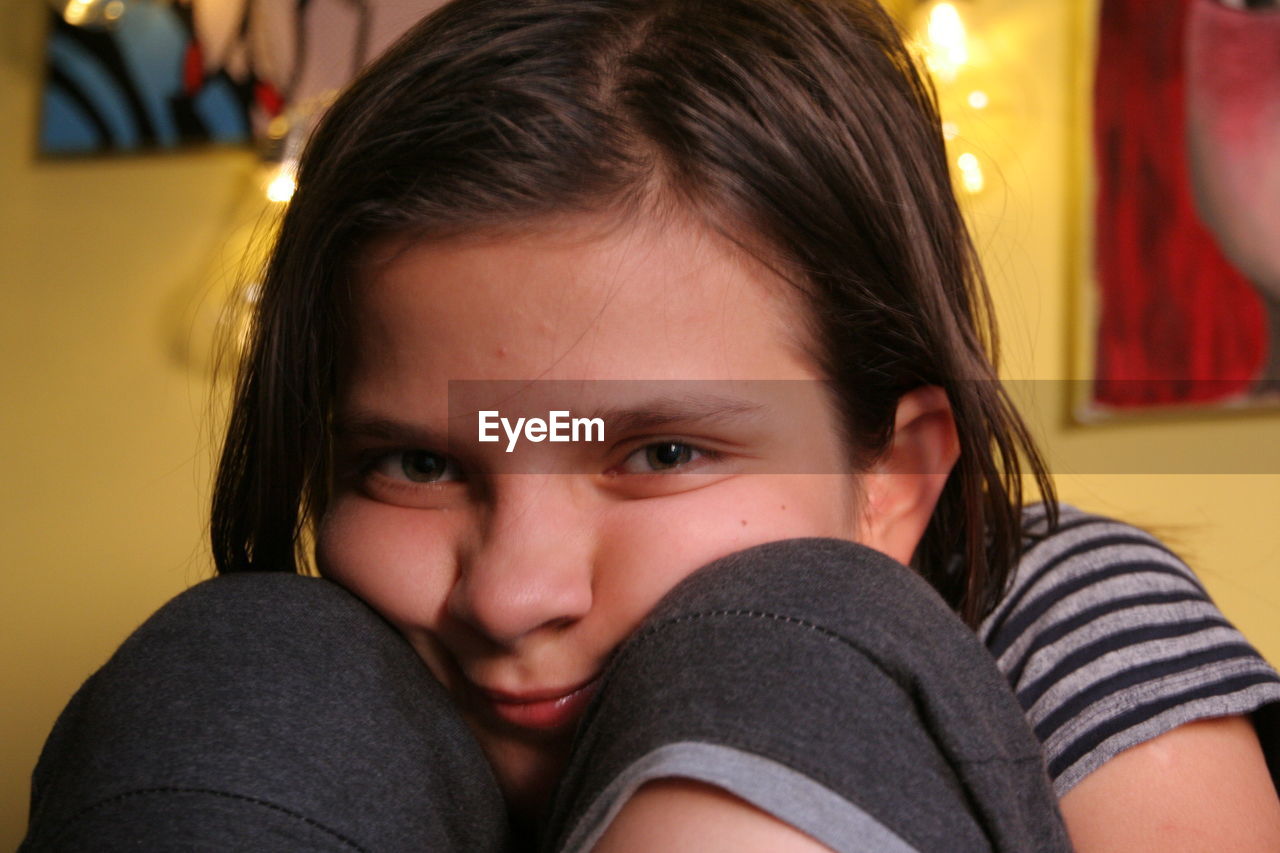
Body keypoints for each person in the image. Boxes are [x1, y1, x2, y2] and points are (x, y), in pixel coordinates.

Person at [20, 0, 1280, 850]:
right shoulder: (335, 690)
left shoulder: (1072, 632)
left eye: (660, 452)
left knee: (790, 645)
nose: (513, 595)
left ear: (892, 474)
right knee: (251, 657)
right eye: (416, 462)